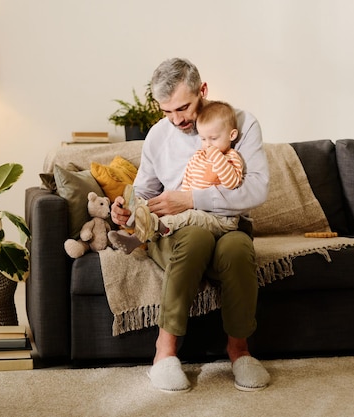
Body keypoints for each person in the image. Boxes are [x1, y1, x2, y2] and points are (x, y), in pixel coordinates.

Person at [110, 58, 270, 393]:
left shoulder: (239, 123)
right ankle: (164, 353)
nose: (176, 119)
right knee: (195, 239)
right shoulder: (158, 134)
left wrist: (193, 199)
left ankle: (239, 351)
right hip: (177, 233)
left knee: (239, 247)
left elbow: (256, 190)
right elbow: (143, 191)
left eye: (183, 107)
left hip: (227, 226)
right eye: (166, 111)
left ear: (203, 90)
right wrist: (126, 209)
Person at [108, 100, 245, 255]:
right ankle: (135, 216)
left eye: (213, 139)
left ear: (231, 135)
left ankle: (137, 238)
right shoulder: (198, 156)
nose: (207, 145)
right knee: (174, 213)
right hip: (196, 211)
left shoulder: (231, 157)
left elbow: (232, 182)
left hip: (221, 218)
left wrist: (217, 157)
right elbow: (187, 185)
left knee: (187, 217)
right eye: (203, 139)